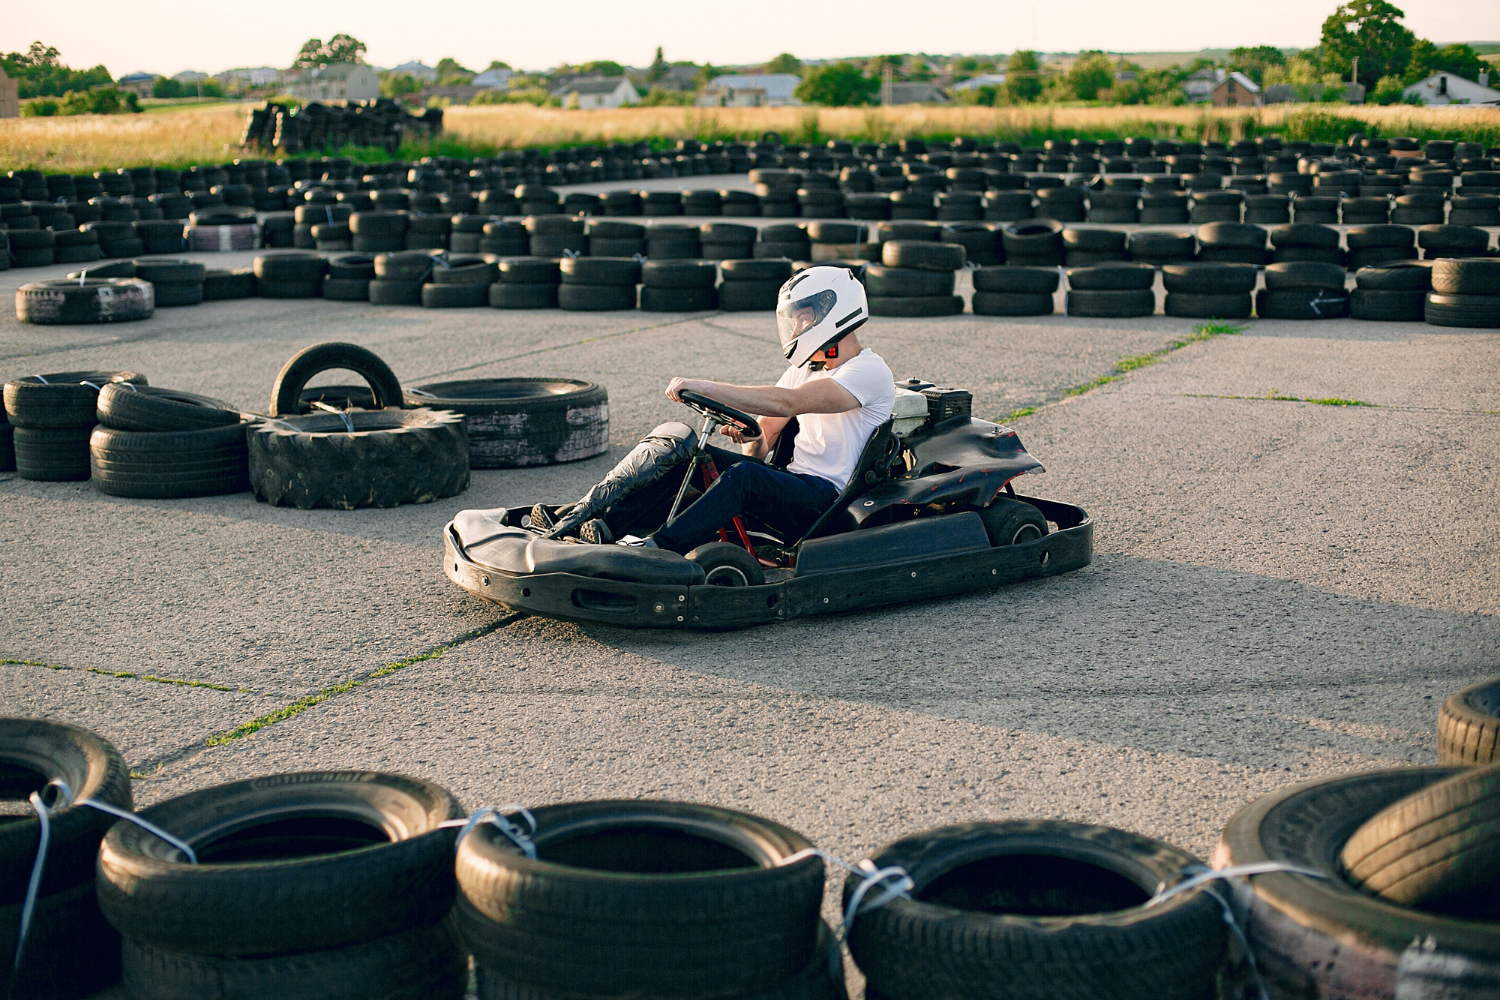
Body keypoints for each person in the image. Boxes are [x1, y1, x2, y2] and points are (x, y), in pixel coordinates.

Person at [550, 266, 895, 553]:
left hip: (826, 501)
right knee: (687, 454)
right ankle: (601, 526)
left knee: (744, 478)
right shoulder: (805, 369)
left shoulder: (869, 371)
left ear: (833, 314)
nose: (797, 328)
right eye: (796, 321)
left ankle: (658, 550)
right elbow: (760, 447)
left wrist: (704, 386)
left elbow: (788, 402)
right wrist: (749, 434)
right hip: (790, 485)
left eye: (804, 319)